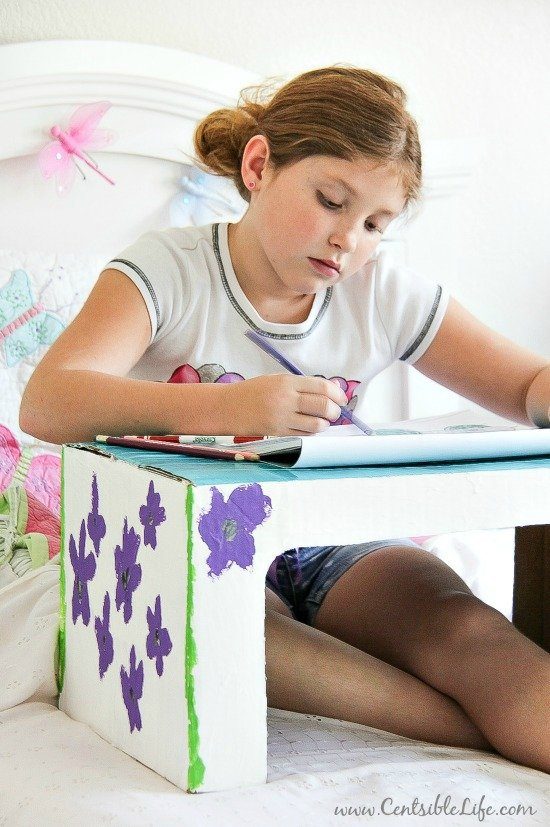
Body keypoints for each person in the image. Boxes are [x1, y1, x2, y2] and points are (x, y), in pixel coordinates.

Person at [20, 65, 550, 772]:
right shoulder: (168, 270)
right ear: (259, 166)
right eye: (331, 201)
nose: (348, 239)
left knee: (466, 630)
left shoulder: (380, 292)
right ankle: (471, 731)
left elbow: (526, 385)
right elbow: (47, 401)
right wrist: (226, 408)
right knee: (235, 631)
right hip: (200, 542)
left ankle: (494, 718)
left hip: (335, 538)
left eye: (375, 225)